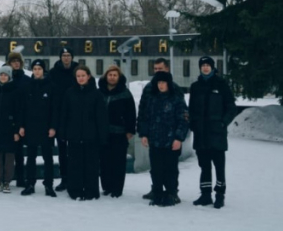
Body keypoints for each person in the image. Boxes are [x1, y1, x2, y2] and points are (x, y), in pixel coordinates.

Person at [190, 56, 237, 209]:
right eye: (203, 65)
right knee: (204, 167)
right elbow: (191, 110)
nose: (205, 68)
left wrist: (223, 122)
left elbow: (231, 107)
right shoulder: (195, 86)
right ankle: (205, 195)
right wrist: (193, 124)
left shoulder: (221, 84)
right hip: (201, 134)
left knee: (219, 167)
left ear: (212, 67)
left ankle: (219, 195)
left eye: (208, 65)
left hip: (217, 133)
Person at [138, 71, 189, 207]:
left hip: (171, 141)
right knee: (156, 169)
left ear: (169, 83)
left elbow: (183, 120)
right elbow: (145, 118)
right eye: (159, 83)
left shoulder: (176, 99)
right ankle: (157, 192)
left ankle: (172, 193)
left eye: (163, 82)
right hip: (155, 140)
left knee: (170, 169)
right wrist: (144, 134)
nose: (161, 85)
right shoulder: (152, 99)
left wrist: (179, 138)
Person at [58, 65, 108, 200]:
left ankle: (91, 191)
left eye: (83, 76)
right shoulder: (69, 93)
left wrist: (102, 135)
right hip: (74, 136)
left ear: (88, 76)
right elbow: (64, 114)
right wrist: (62, 132)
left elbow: (101, 117)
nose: (80, 78)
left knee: (91, 166)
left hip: (91, 136)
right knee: (74, 165)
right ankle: (75, 190)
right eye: (78, 76)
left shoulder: (96, 94)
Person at [20, 59, 58, 197]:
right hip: (30, 128)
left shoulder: (51, 86)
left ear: (43, 70)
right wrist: (22, 126)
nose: (37, 71)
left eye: (39, 69)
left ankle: (49, 185)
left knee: (48, 158)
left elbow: (55, 109)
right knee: (31, 157)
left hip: (46, 128)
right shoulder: (27, 86)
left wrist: (53, 127)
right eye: (35, 69)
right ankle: (30, 184)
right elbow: (22, 108)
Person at [98, 65, 136, 198]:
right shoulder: (100, 92)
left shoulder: (125, 93)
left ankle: (117, 188)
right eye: (110, 75)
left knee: (118, 162)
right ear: (106, 76)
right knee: (104, 161)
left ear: (118, 77)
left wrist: (130, 130)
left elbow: (131, 113)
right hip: (103, 132)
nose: (112, 77)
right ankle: (106, 186)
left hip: (119, 133)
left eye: (115, 75)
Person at [0, 65, 22, 193]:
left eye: (5, 75)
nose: (3, 77)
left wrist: (16, 130)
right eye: (1, 74)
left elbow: (18, 111)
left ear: (9, 77)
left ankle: (7, 181)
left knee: (9, 156)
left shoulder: (15, 90)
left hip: (10, 128)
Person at [49, 47, 78, 191]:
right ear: (60, 57)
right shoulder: (53, 73)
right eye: (64, 55)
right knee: (62, 150)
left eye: (68, 55)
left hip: (75, 116)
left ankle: (75, 178)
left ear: (72, 57)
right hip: (60, 116)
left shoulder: (78, 71)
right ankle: (64, 178)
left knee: (74, 150)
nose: (66, 58)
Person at [6, 51, 30, 186]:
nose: (15, 63)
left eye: (17, 61)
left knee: (19, 151)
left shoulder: (26, 80)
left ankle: (21, 178)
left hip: (22, 118)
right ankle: (6, 177)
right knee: (7, 151)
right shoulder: (5, 78)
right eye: (13, 61)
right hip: (8, 119)